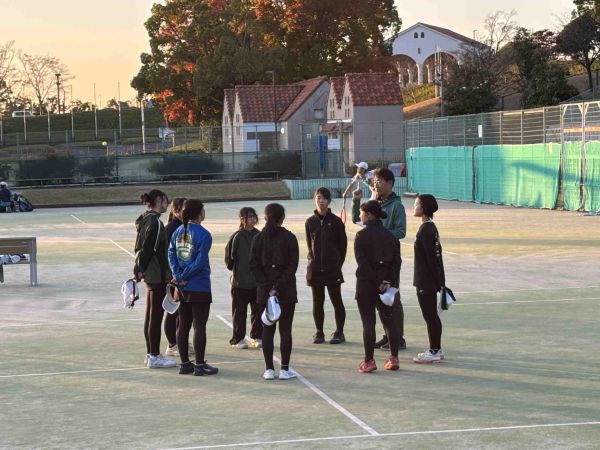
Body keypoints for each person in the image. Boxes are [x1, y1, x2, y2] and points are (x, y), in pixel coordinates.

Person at [352, 167, 407, 350]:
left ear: (390, 183)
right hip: (373, 260)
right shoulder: (374, 201)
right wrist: (356, 201)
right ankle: (388, 335)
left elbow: (401, 231)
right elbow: (358, 220)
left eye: (380, 181)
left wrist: (382, 235)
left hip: (389, 259)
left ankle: (398, 338)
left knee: (392, 299)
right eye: (374, 181)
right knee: (379, 300)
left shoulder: (396, 206)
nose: (376, 184)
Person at [169, 199, 218, 376]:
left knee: (183, 324)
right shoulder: (204, 234)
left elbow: (171, 254)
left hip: (182, 287)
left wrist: (177, 276)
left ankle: (185, 364)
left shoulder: (178, 231)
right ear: (198, 213)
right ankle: (199, 365)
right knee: (199, 325)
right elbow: (199, 262)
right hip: (199, 285)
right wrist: (184, 276)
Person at [250, 203, 299, 380]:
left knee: (267, 330)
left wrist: (267, 287)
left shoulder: (258, 238)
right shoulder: (289, 238)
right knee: (285, 330)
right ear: (282, 218)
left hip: (265, 292)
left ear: (265, 217)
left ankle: (269, 369)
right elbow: (292, 266)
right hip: (286, 291)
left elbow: (253, 266)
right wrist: (277, 287)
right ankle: (284, 369)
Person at [354, 200, 401, 372]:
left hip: (366, 284)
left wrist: (375, 281)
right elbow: (397, 263)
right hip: (386, 286)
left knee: (368, 322)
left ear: (368, 215)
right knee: (389, 320)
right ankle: (394, 358)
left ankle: (369, 361)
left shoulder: (361, 236)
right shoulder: (391, 236)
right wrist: (387, 281)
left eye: (361, 213)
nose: (360, 216)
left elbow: (362, 262)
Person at [134, 189, 176, 369]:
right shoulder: (156, 223)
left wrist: (138, 269)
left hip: (151, 275)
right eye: (166, 200)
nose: (168, 204)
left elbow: (139, 248)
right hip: (157, 275)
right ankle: (154, 355)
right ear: (159, 200)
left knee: (151, 315)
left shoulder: (144, 219)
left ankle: (150, 354)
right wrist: (140, 269)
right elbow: (147, 249)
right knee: (156, 317)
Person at [305, 188, 347, 344]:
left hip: (332, 269)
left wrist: (336, 264)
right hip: (316, 269)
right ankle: (319, 332)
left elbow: (342, 247)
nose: (321, 201)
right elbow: (310, 246)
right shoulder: (310, 222)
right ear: (314, 200)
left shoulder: (336, 222)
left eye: (324, 198)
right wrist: (312, 263)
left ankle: (339, 332)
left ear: (329, 201)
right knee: (318, 302)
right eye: (318, 198)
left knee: (337, 301)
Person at [412, 194, 446, 364]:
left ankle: (434, 351)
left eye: (417, 204)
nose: (414, 207)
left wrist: (437, 282)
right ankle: (436, 349)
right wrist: (440, 281)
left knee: (430, 316)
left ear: (424, 208)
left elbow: (432, 259)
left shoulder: (425, 230)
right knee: (432, 316)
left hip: (426, 280)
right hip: (429, 280)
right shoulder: (431, 228)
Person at [227, 207, 262, 349]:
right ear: (242, 219)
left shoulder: (260, 235)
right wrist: (238, 271)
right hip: (240, 282)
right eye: (249, 217)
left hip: (257, 282)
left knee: (258, 311)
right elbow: (230, 259)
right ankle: (238, 339)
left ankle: (256, 336)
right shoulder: (237, 236)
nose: (252, 219)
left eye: (254, 216)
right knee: (239, 312)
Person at [163, 198, 187, 357]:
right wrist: (174, 275)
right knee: (173, 311)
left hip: (183, 276)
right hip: (174, 277)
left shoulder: (184, 226)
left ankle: (180, 341)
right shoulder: (172, 228)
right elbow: (168, 255)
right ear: (175, 210)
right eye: (184, 208)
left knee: (181, 312)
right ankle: (172, 344)